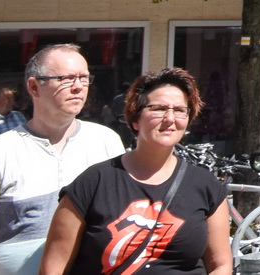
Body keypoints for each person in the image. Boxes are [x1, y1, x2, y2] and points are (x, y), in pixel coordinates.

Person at [38, 69, 228, 275]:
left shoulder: (205, 186)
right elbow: (52, 269)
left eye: (180, 110)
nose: (170, 118)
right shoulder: (93, 183)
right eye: (158, 109)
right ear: (135, 118)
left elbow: (221, 265)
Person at [0, 45, 124, 275]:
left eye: (84, 78)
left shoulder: (106, 142)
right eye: (66, 79)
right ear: (34, 87)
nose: (78, 86)